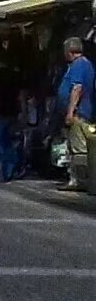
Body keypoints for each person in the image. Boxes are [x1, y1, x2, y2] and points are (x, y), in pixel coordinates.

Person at [59, 37, 95, 191]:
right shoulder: (83, 64)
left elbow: (77, 88)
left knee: (78, 148)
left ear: (69, 51)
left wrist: (70, 111)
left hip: (79, 113)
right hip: (81, 112)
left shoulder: (79, 65)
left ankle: (79, 180)